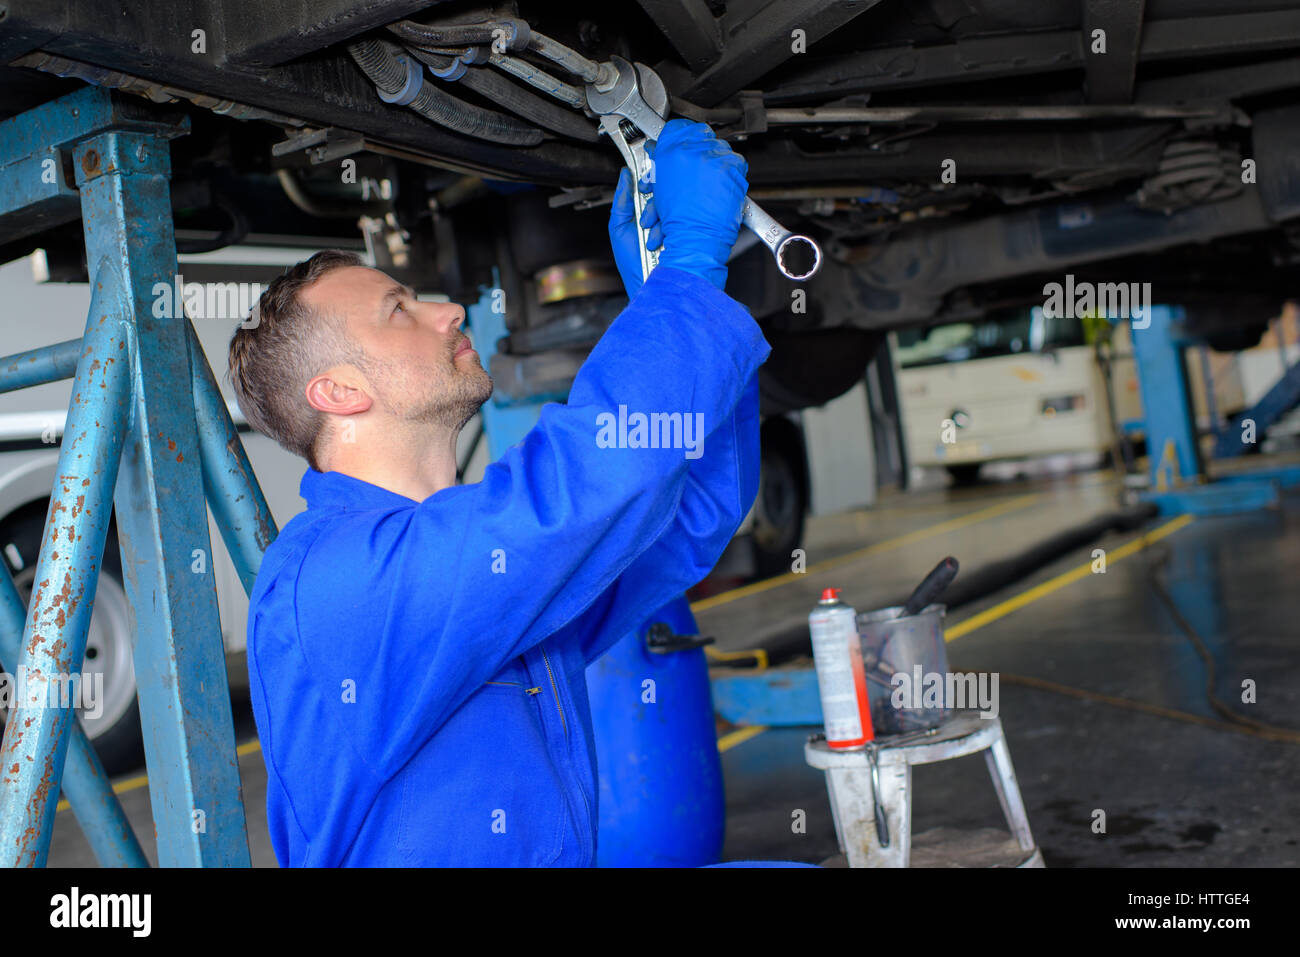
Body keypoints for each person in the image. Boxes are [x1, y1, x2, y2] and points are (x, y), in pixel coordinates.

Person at [228, 120, 770, 866]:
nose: (447, 310)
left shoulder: (486, 580)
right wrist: (684, 280)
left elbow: (691, 515)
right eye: (399, 310)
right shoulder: (333, 580)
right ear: (340, 391)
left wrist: (670, 302)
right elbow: (578, 489)